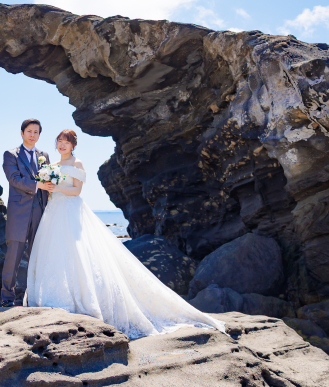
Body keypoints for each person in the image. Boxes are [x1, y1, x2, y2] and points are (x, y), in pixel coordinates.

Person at [24, 129, 227, 339]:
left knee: (78, 253)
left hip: (71, 211)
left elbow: (76, 191)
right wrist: (48, 187)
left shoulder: (77, 164)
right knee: (55, 253)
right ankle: (54, 299)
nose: (62, 145)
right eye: (59, 141)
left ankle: (83, 301)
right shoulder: (52, 167)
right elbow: (47, 190)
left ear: (73, 145)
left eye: (66, 142)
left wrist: (56, 189)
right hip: (54, 212)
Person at [0, 119, 55, 308]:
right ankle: (7, 298)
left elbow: (48, 180)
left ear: (39, 135)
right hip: (18, 213)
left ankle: (34, 298)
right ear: (21, 133)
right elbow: (14, 179)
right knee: (13, 256)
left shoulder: (44, 155)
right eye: (29, 131)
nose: (33, 134)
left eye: (36, 132)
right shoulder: (11, 154)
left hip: (40, 211)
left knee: (37, 256)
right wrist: (37, 185)